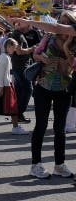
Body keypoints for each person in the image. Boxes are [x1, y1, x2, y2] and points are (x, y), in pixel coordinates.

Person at [27, 11, 76, 179]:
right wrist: (41, 58)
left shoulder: (74, 43)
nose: (61, 27)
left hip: (63, 88)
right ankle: (36, 165)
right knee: (40, 126)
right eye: (60, 22)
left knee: (59, 129)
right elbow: (35, 54)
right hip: (43, 86)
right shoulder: (48, 37)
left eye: (66, 24)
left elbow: (73, 65)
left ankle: (59, 165)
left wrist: (65, 47)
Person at [9, 20, 42, 123]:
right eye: (28, 24)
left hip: (19, 66)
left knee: (19, 91)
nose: (30, 26)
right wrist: (32, 49)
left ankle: (17, 115)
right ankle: (18, 114)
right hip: (21, 66)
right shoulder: (18, 35)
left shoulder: (17, 34)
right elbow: (19, 51)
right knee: (27, 90)